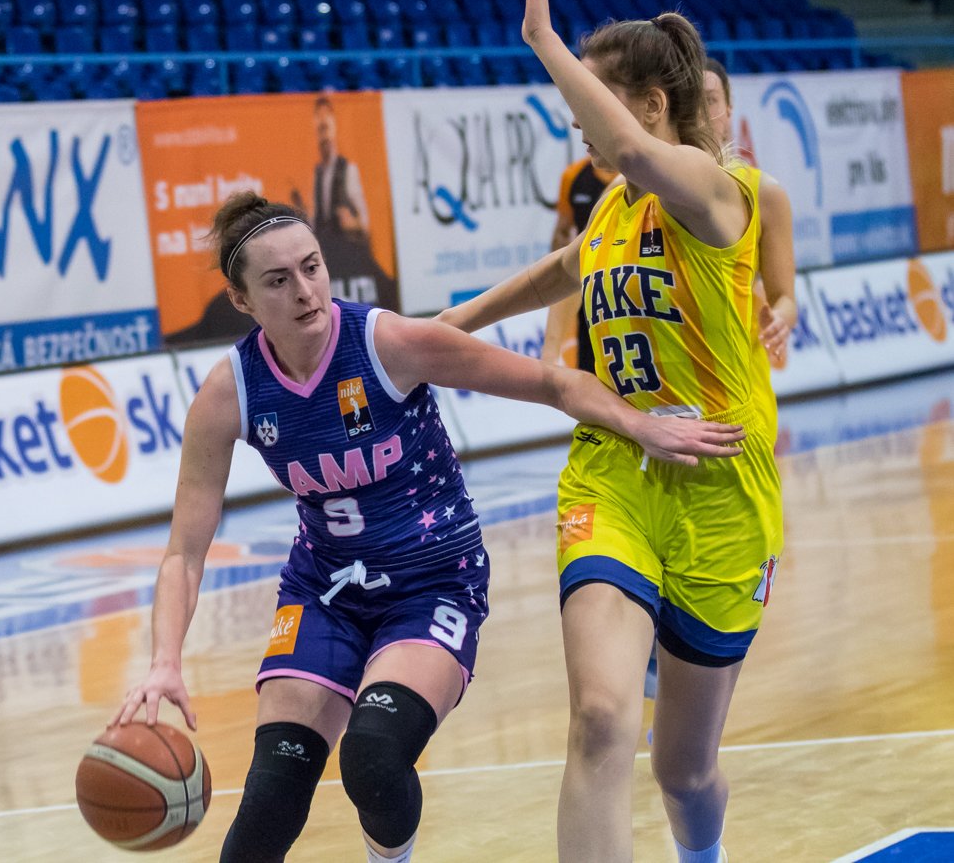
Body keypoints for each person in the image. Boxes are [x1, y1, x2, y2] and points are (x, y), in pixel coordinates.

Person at [112, 190, 744, 863]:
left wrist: (640, 423)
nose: (304, 290)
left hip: (433, 582)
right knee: (270, 799)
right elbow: (184, 553)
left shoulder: (389, 343)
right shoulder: (229, 391)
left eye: (312, 267)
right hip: (324, 589)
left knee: (373, 757)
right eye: (277, 280)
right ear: (241, 300)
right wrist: (164, 661)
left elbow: (554, 384)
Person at [438, 0, 784, 863]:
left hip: (721, 489)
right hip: (615, 474)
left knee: (684, 773)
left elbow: (628, 148)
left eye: (591, 101)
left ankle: (700, 854)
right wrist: (451, 324)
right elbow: (562, 268)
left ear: (651, 105)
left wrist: (543, 41)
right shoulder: (612, 207)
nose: (580, 130)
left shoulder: (718, 193)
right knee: (599, 716)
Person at [703, 56, 798, 378]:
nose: (701, 113)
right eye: (690, 100)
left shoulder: (764, 193)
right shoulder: (643, 188)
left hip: (740, 376)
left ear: (729, 109)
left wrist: (780, 320)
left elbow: (785, 299)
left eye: (710, 100)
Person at [291, 95, 399, 309]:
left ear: (334, 128)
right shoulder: (317, 174)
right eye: (319, 128)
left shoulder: (348, 170)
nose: (323, 134)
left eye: (326, 127)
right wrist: (303, 214)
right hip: (328, 257)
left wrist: (352, 223)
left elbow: (364, 224)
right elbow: (317, 222)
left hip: (350, 259)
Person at [541, 155, 618, 370]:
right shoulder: (574, 175)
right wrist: (550, 350)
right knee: (589, 366)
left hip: (624, 286)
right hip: (589, 286)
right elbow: (563, 236)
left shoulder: (632, 179)